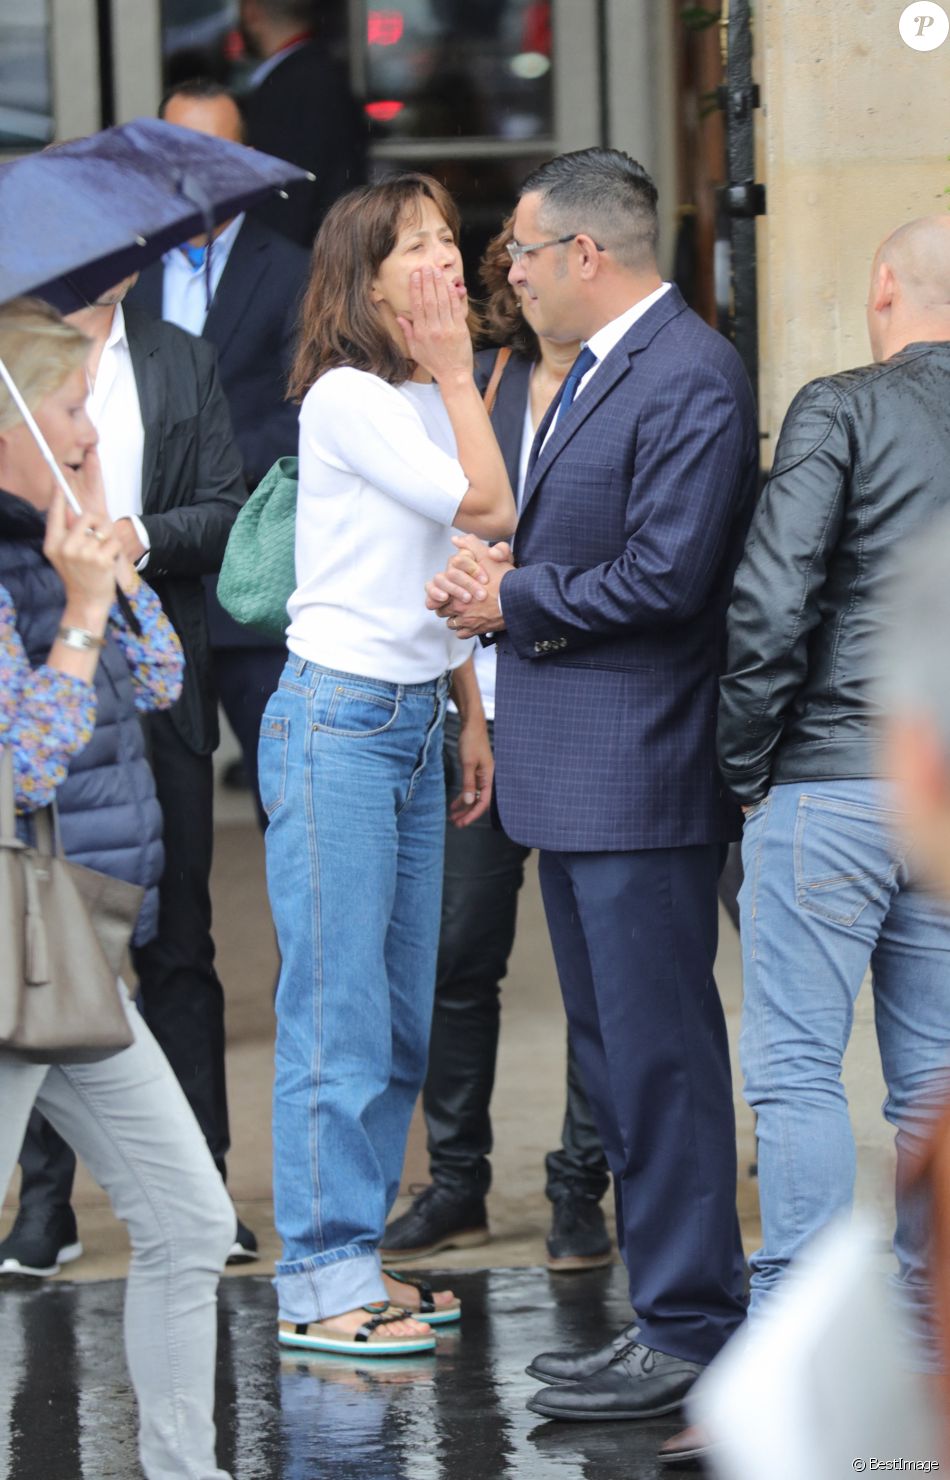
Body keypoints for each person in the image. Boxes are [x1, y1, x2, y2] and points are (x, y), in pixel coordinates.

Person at [426, 148, 757, 1450]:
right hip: (582, 779)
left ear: (586, 255)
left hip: (639, 780)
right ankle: (663, 1312)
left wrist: (507, 599)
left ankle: (688, 1329)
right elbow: (603, 549)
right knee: (620, 1068)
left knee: (660, 1068)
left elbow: (667, 579)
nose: (503, 272)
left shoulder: (686, 371)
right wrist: (514, 560)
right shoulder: (603, 368)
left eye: (515, 250)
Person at [262, 173, 516, 1357]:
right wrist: (461, 373)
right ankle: (319, 1278)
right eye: (413, 245)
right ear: (364, 279)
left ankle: (353, 1254)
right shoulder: (352, 398)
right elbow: (489, 509)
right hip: (340, 723)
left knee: (399, 1019)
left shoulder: (417, 396)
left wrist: (466, 709)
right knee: (337, 1014)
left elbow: (442, 571)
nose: (441, 261)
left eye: (447, 240)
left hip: (413, 713)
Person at [0, 295, 235, 1480]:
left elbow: (162, 677)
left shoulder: (61, 532)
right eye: (68, 408)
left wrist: (104, 555)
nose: (89, 433)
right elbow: (18, 764)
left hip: (72, 946)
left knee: (191, 1223)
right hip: (6, 951)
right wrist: (77, 616)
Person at [718, 216, 950, 1374]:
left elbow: (770, 599)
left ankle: (794, 1349)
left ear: (881, 287)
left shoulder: (842, 405)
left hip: (828, 776)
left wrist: (745, 767)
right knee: (935, 1072)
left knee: (797, 1068)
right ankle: (922, 1331)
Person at [382, 216, 612, 1272]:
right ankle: (458, 1183)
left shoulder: (623, 383)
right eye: (511, 276)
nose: (524, 287)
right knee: (456, 956)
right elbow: (421, 529)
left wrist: (520, 565)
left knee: (593, 970)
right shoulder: (464, 385)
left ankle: (579, 1183)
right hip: (472, 707)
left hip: (580, 710)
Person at [130, 77, 310, 826]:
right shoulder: (118, 273)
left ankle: (304, 951)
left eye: (216, 150)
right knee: (158, 813)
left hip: (251, 584)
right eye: (180, 148)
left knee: (289, 805)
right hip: (140, 583)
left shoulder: (296, 268)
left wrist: (196, 473)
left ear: (247, 159)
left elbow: (306, 417)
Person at [239, 0, 367, 248]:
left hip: (302, 261)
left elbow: (288, 199)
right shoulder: (316, 74)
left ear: (251, 12)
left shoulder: (294, 85)